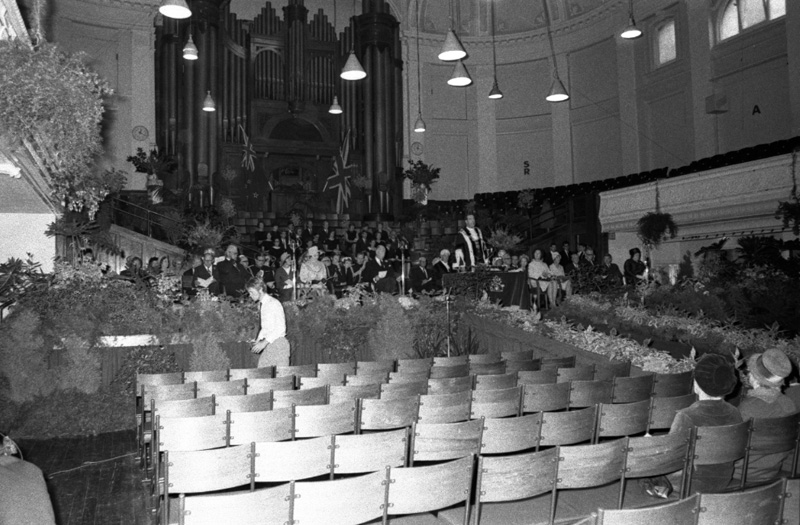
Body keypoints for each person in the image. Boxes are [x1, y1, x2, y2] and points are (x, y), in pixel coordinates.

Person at [668, 353, 741, 494]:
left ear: (696, 385)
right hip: (723, 480)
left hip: (688, 482)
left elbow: (671, 457)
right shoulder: (735, 413)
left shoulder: (686, 416)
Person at [736, 349, 796, 482]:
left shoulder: (748, 408)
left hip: (741, 473)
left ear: (754, 377)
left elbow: (733, 448)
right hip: (772, 470)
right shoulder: (789, 404)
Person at [247, 278, 290, 367]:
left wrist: (263, 343)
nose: (250, 295)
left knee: (279, 379)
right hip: (270, 344)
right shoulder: (263, 304)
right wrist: (258, 340)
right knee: (262, 375)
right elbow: (266, 327)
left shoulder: (273, 303)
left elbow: (281, 329)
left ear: (260, 290)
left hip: (279, 345)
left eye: (251, 292)